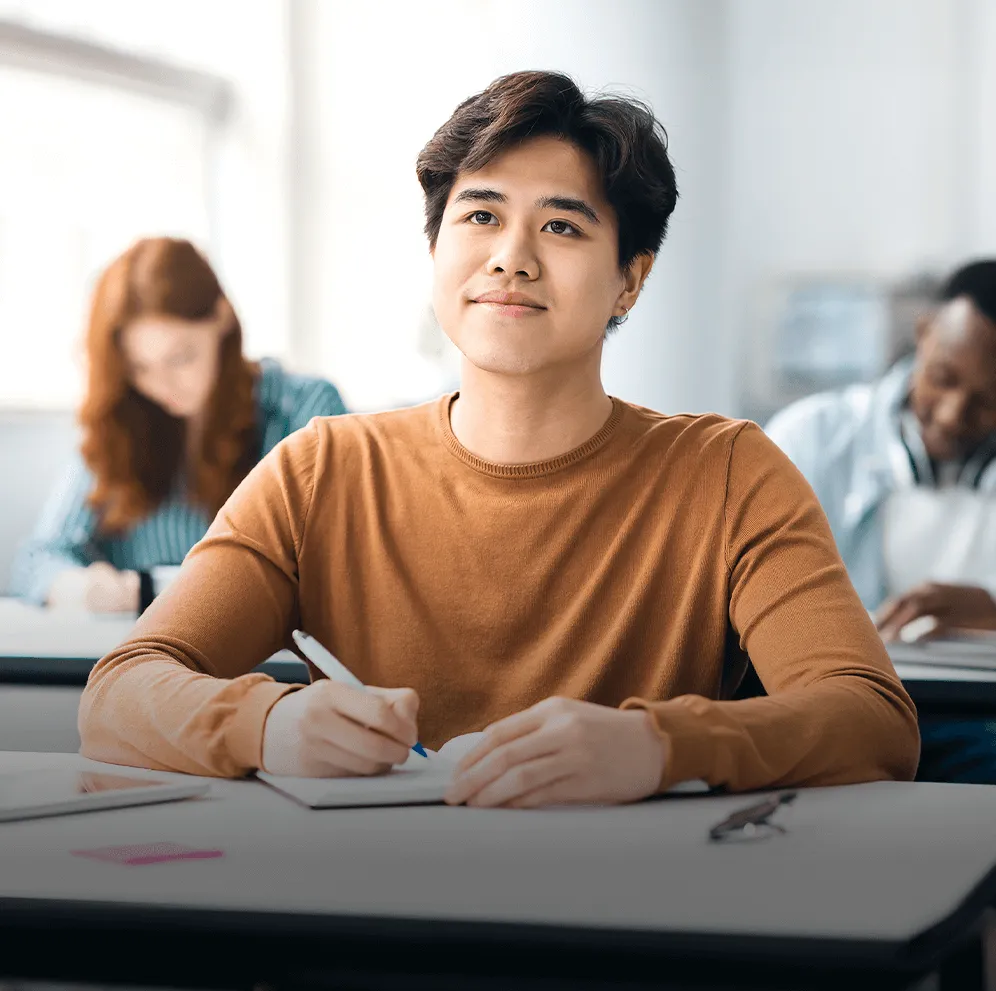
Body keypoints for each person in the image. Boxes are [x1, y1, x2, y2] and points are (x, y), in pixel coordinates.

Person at [78, 71, 918, 807]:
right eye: (480, 215)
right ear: (437, 248)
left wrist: (663, 746)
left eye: (562, 227)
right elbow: (118, 696)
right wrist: (270, 723)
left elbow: (871, 719)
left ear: (631, 278)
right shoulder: (320, 468)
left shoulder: (728, 472)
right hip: (363, 921)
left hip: (630, 922)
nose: (511, 258)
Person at [9, 236, 347, 614]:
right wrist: (82, 588)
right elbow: (38, 559)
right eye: (140, 367)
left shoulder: (303, 407)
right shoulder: (121, 418)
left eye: (181, 358)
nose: (162, 385)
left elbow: (336, 564)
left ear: (220, 318)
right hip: (145, 658)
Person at [765, 260, 996, 783]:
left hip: (976, 719)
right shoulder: (811, 438)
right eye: (943, 378)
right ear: (923, 333)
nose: (953, 415)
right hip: (833, 710)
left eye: (988, 402)